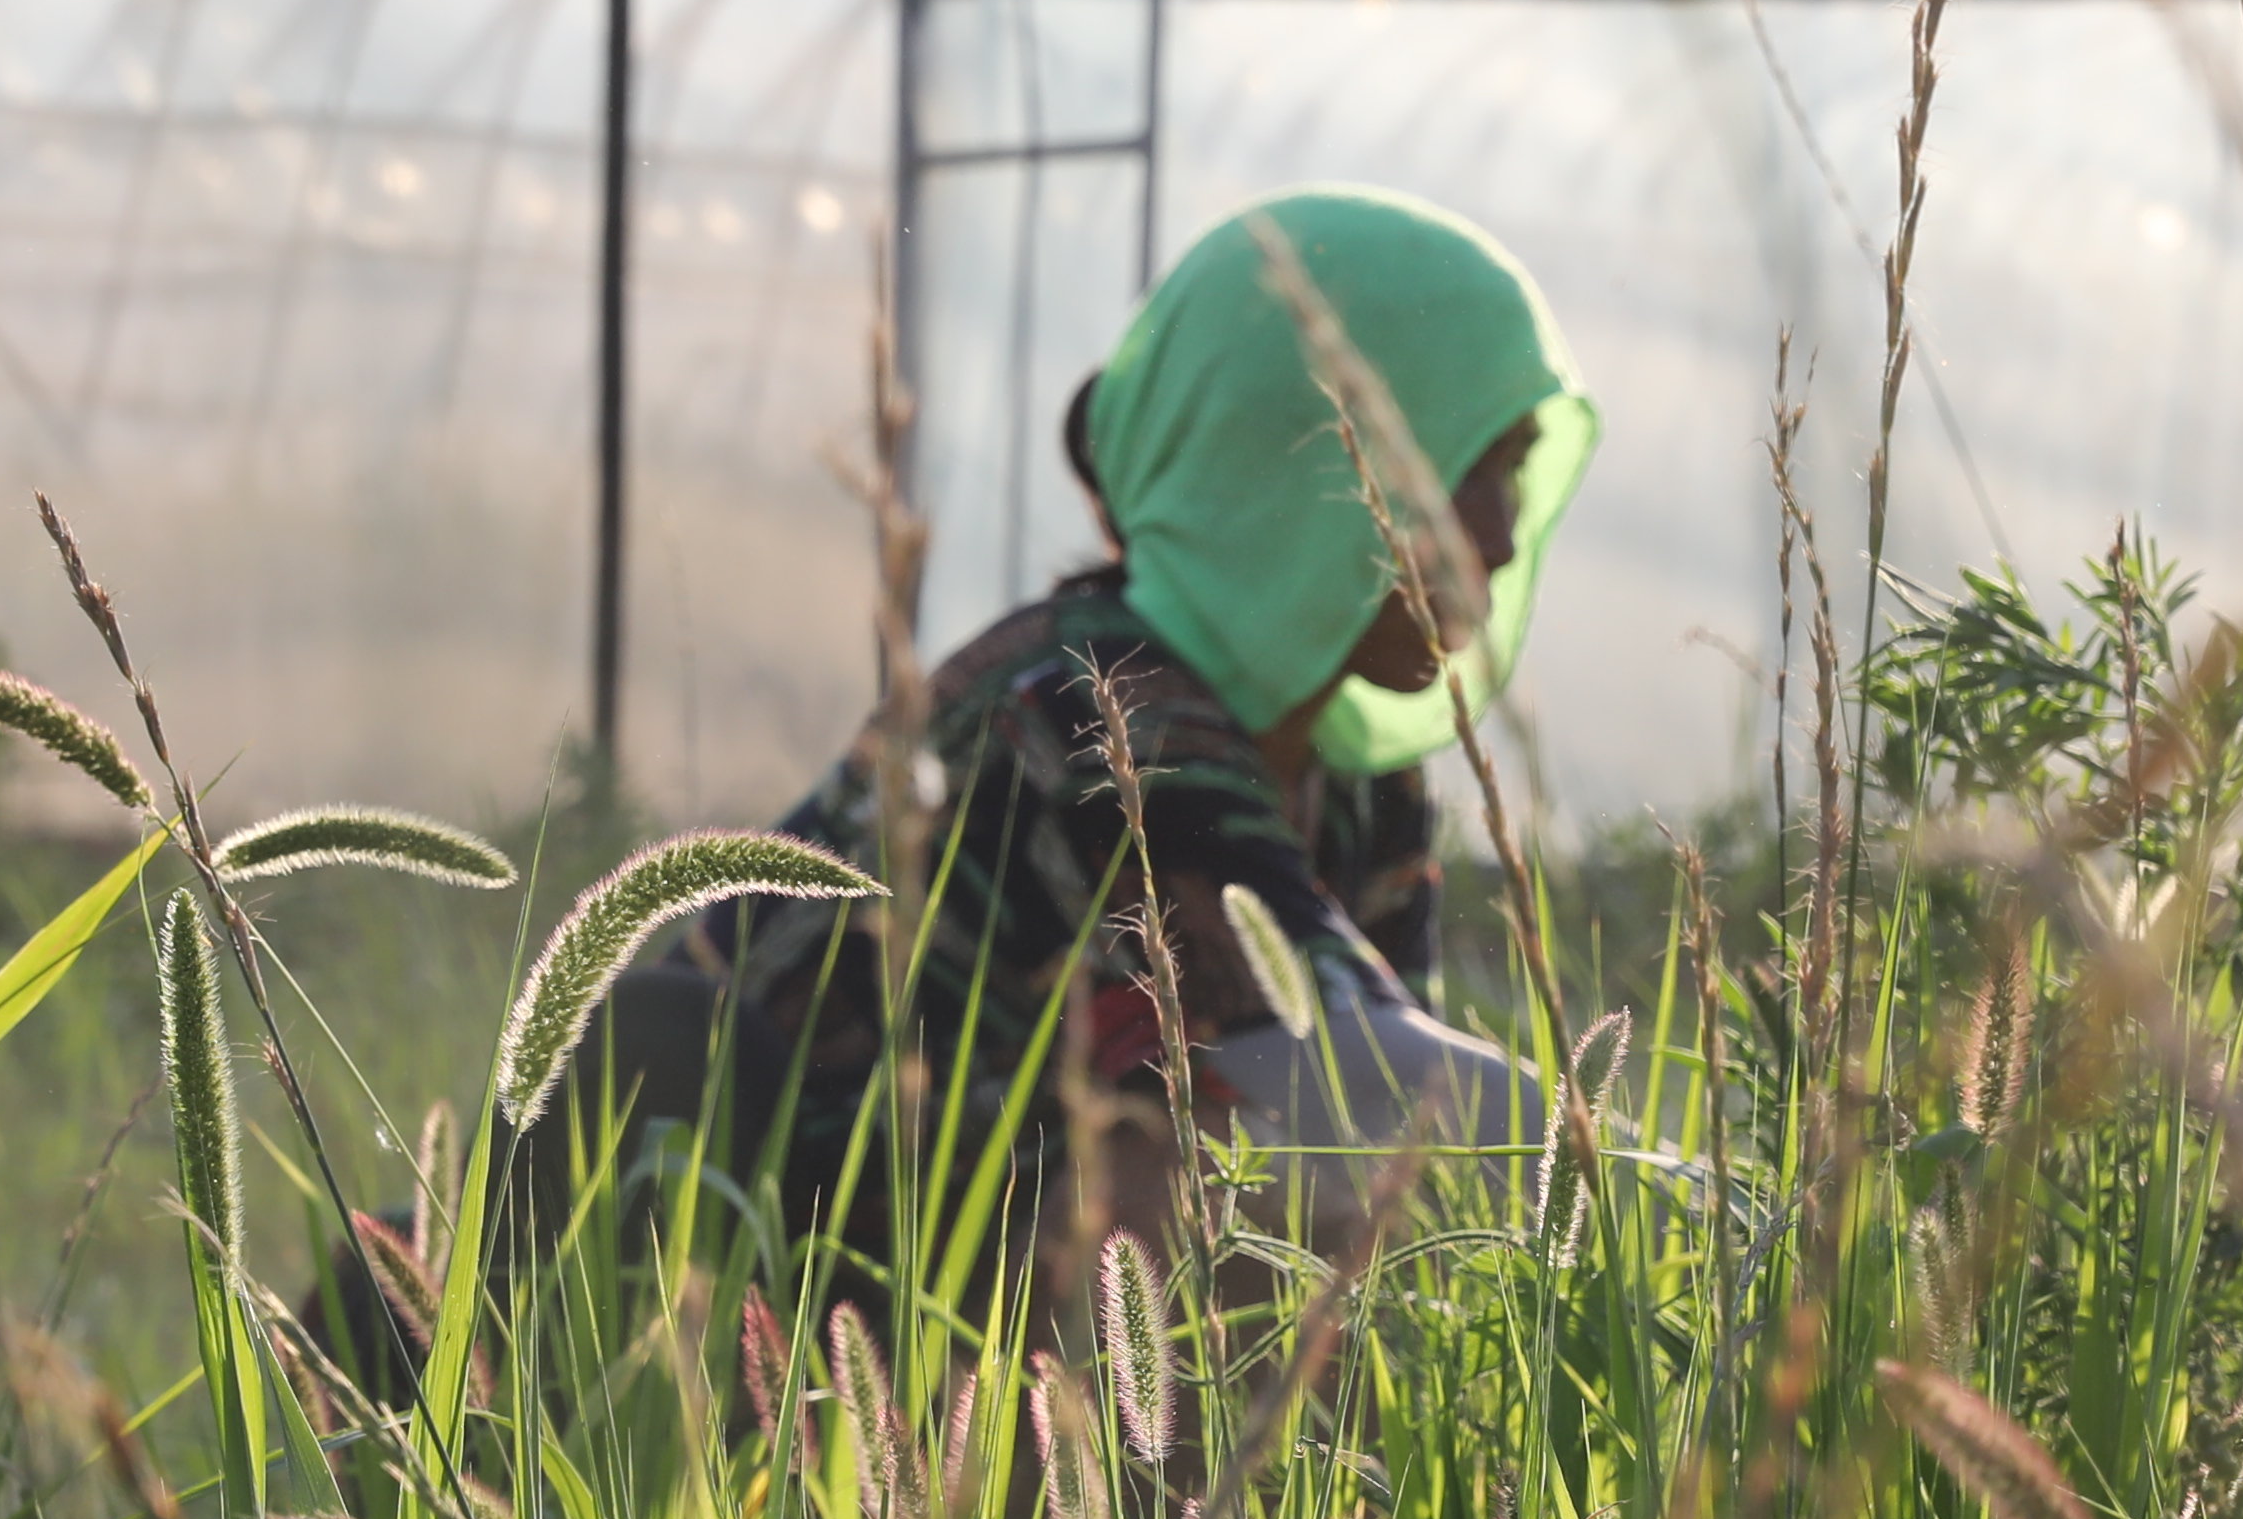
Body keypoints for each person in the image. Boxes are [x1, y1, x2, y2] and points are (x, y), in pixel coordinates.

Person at [539, 190, 1593, 1286]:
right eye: (1466, 468)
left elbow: (1398, 1148)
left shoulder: (1365, 784)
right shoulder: (1088, 700)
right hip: (760, 1278)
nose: (1504, 536)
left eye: (1514, 472)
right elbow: (1355, 1075)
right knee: (1209, 1188)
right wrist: (1708, 1205)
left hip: (990, 1305)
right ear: (1303, 463)